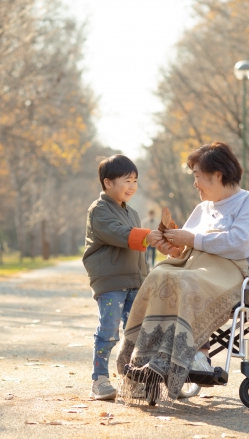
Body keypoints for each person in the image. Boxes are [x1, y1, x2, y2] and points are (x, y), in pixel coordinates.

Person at [116, 141, 249, 402]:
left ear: (217, 175)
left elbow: (240, 243)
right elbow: (185, 246)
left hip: (232, 271)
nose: (195, 183)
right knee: (159, 275)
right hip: (194, 267)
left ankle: (191, 353)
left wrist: (191, 240)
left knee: (186, 281)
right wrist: (174, 248)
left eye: (197, 176)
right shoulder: (202, 208)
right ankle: (145, 357)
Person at [82, 155, 160, 400]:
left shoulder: (133, 213)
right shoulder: (99, 210)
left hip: (134, 281)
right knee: (109, 329)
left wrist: (145, 278)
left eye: (135, 180)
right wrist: (149, 236)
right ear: (108, 183)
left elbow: (139, 252)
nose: (132, 186)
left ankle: (133, 379)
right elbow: (120, 234)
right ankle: (100, 379)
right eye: (127, 180)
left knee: (135, 332)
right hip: (111, 281)